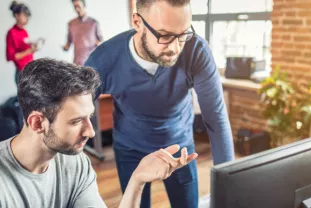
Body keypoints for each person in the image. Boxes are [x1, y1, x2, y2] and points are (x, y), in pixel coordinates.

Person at [84, 0, 235, 207]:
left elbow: (216, 119)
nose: (175, 48)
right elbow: (74, 112)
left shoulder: (196, 51)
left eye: (183, 34)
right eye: (164, 35)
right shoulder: (104, 59)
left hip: (180, 147)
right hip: (131, 149)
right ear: (137, 22)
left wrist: (228, 188)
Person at [0, 58, 197, 208]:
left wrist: (138, 179)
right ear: (37, 122)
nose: (91, 132)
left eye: (89, 117)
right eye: (76, 121)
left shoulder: (75, 163)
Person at [6, 1, 40, 84]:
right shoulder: (11, 33)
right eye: (24, 15)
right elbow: (10, 56)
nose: (27, 18)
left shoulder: (24, 32)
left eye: (27, 16)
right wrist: (29, 51)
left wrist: (33, 47)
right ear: (16, 16)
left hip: (30, 69)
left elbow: (26, 48)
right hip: (21, 72)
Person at [63, 0, 103, 65]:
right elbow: (68, 43)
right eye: (75, 6)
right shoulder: (71, 24)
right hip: (77, 63)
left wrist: (98, 44)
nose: (77, 9)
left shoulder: (94, 23)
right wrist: (65, 47)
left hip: (92, 62)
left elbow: (100, 41)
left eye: (78, 6)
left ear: (84, 6)